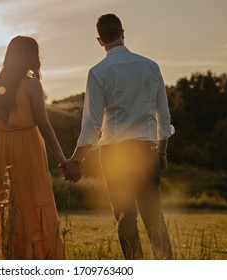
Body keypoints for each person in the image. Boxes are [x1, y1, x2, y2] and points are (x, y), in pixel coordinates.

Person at [61, 14, 174, 259]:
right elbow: (162, 116)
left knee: (125, 220)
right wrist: (162, 152)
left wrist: (75, 160)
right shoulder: (150, 66)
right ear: (123, 33)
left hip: (116, 157)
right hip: (146, 152)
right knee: (155, 218)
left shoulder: (98, 72)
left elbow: (91, 124)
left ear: (100, 41)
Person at [0, 36, 65, 259]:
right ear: (31, 57)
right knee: (32, 200)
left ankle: (14, 257)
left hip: (0, 146)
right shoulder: (32, 85)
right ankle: (40, 257)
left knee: (9, 204)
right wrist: (62, 159)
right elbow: (45, 126)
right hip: (25, 146)